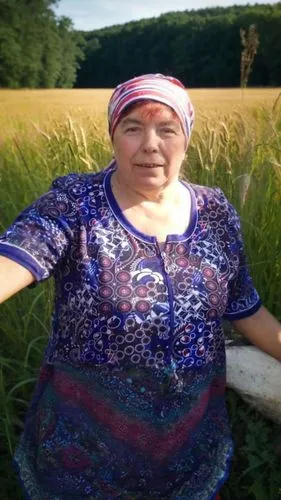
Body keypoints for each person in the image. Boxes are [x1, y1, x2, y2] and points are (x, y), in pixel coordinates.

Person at [0, 73, 280, 500]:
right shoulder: (75, 204)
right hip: (86, 458)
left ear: (186, 138)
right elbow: (19, 253)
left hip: (189, 449)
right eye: (133, 127)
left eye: (166, 129)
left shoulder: (216, 213)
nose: (150, 143)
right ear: (114, 135)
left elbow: (245, 309)